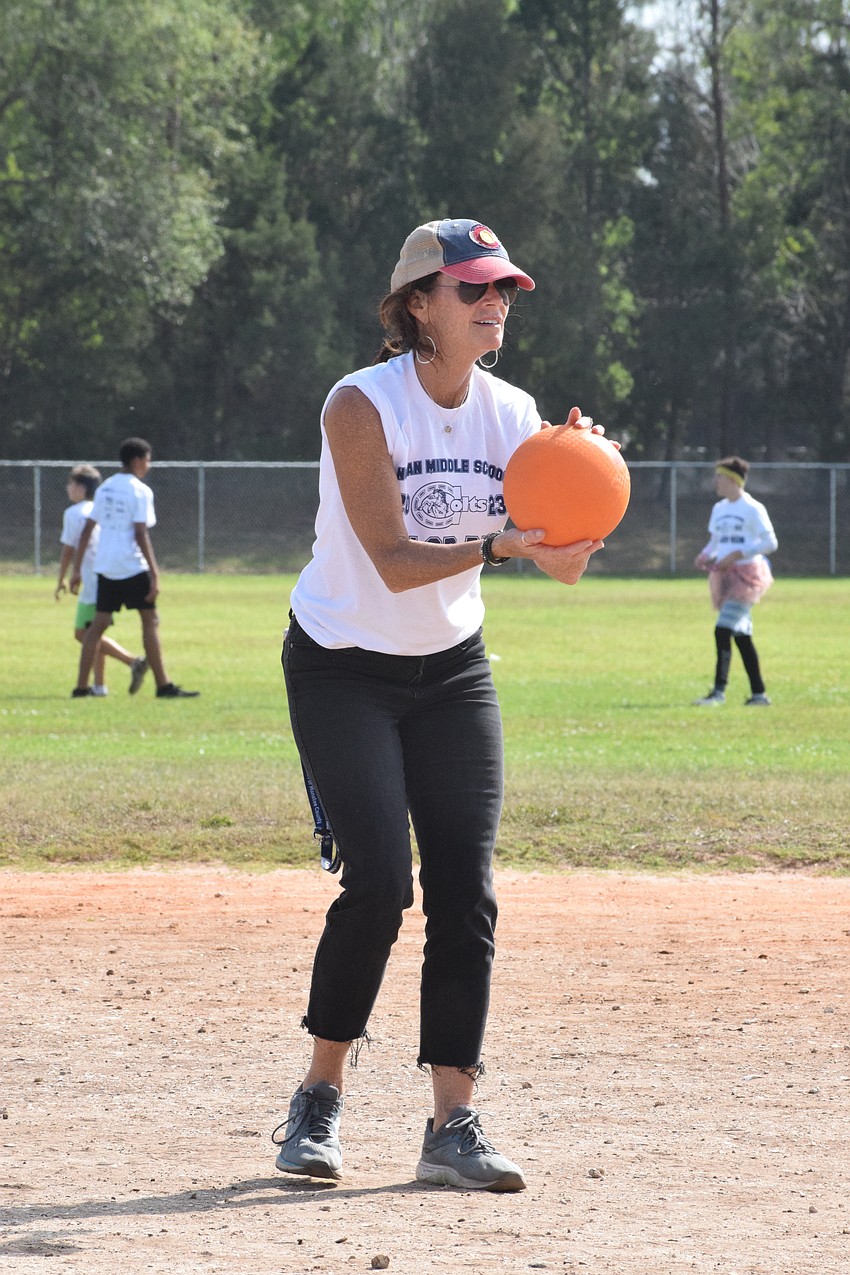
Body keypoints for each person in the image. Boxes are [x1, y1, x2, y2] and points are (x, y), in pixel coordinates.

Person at [273, 217, 612, 1193]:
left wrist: (579, 491)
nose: (493, 304)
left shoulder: (515, 412)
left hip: (449, 670)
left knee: (466, 886)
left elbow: (559, 553)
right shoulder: (360, 404)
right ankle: (319, 1098)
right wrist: (507, 547)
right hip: (341, 663)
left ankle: (451, 1123)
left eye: (501, 289)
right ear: (416, 304)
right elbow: (388, 557)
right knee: (381, 882)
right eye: (471, 290)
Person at [69, 437, 199, 700]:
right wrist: (154, 572)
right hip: (130, 564)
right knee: (149, 619)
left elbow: (86, 532)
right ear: (138, 460)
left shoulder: (105, 488)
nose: (148, 465)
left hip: (105, 565)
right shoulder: (140, 491)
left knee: (98, 624)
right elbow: (140, 534)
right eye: (148, 460)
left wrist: (75, 571)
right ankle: (164, 686)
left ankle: (81, 688)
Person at [55, 464, 149, 696]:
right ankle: (99, 685)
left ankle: (132, 661)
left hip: (92, 580)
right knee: (93, 630)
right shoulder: (100, 508)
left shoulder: (74, 513)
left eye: (70, 484)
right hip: (106, 574)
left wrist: (63, 578)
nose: (68, 488)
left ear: (80, 487)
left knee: (84, 633)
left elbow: (69, 549)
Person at [693, 456, 778, 706]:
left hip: (748, 576)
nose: (716, 482)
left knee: (722, 630)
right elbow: (716, 542)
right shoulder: (719, 509)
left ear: (732, 480)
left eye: (719, 477)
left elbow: (770, 543)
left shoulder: (753, 508)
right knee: (741, 636)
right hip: (725, 576)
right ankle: (759, 694)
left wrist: (739, 554)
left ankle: (718, 693)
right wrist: (706, 555)